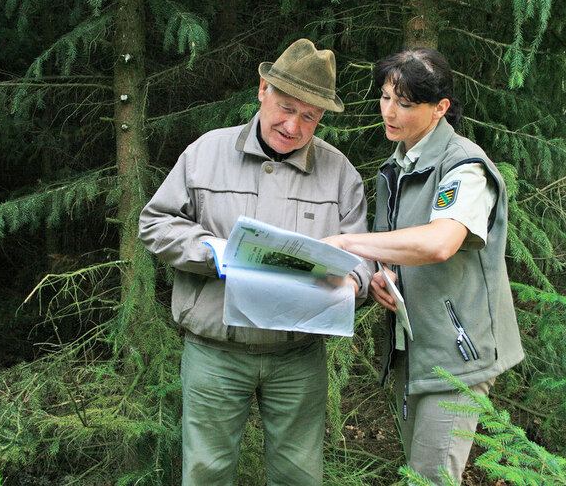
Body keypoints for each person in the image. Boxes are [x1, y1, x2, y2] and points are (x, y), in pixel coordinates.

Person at [138, 38, 372, 486]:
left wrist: (355, 285)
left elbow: (362, 255)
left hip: (298, 356)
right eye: (286, 107)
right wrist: (216, 253)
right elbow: (155, 224)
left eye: (310, 116)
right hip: (215, 352)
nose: (293, 125)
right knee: (206, 472)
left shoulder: (340, 173)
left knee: (299, 474)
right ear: (262, 89)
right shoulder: (206, 153)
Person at [323, 48, 524, 484]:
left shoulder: (464, 167)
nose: (389, 112)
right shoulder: (398, 165)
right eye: (384, 97)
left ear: (441, 108)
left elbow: (439, 243)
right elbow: (401, 247)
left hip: (455, 355)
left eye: (405, 103)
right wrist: (383, 274)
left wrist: (345, 241)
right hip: (412, 352)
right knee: (419, 474)